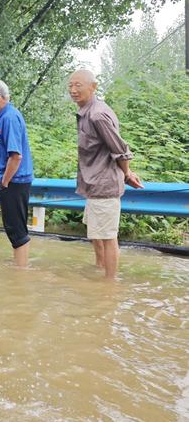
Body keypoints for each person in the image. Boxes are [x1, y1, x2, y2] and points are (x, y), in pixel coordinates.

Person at [68, 69, 144, 279]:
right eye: (70, 86)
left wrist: (127, 173)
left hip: (104, 186)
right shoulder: (86, 111)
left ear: (93, 87)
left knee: (108, 237)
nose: (73, 90)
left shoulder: (97, 114)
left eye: (78, 85)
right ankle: (99, 270)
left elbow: (120, 149)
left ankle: (109, 286)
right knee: (96, 234)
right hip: (94, 186)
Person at [0, 80, 34, 267]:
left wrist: (4, 182)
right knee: (13, 227)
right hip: (10, 181)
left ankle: (20, 274)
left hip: (14, 182)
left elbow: (15, 156)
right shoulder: (1, 117)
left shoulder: (9, 118)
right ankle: (19, 267)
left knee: (17, 230)